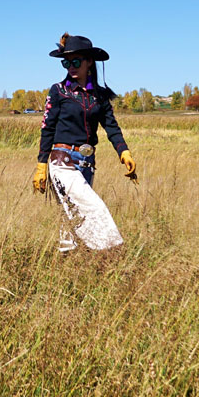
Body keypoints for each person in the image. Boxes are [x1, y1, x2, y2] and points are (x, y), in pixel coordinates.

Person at [31, 33, 138, 252]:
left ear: (89, 62)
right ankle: (112, 253)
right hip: (62, 161)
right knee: (93, 208)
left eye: (76, 61)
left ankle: (68, 262)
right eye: (66, 62)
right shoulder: (58, 92)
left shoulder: (100, 96)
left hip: (87, 163)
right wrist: (41, 165)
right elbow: (47, 128)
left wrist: (124, 152)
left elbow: (111, 127)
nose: (71, 66)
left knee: (70, 216)